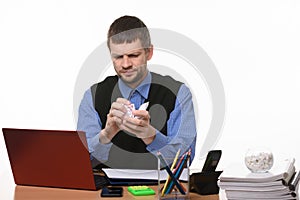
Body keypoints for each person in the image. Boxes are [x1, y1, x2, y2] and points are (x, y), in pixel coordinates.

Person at [77, 15, 197, 169]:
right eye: (118, 57)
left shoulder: (178, 93)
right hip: (107, 189)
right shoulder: (92, 96)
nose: (126, 64)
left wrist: (151, 136)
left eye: (133, 55)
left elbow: (185, 159)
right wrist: (105, 136)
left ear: (149, 52)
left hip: (158, 189)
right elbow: (81, 162)